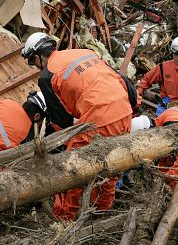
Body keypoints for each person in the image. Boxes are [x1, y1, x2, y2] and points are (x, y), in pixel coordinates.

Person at [23, 32, 132, 221]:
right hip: (124, 111)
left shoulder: (47, 75)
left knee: (73, 171)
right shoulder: (85, 53)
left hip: (99, 120)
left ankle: (64, 220)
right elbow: (125, 82)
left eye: (33, 62)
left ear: (36, 57)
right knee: (112, 165)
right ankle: (101, 212)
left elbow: (62, 120)